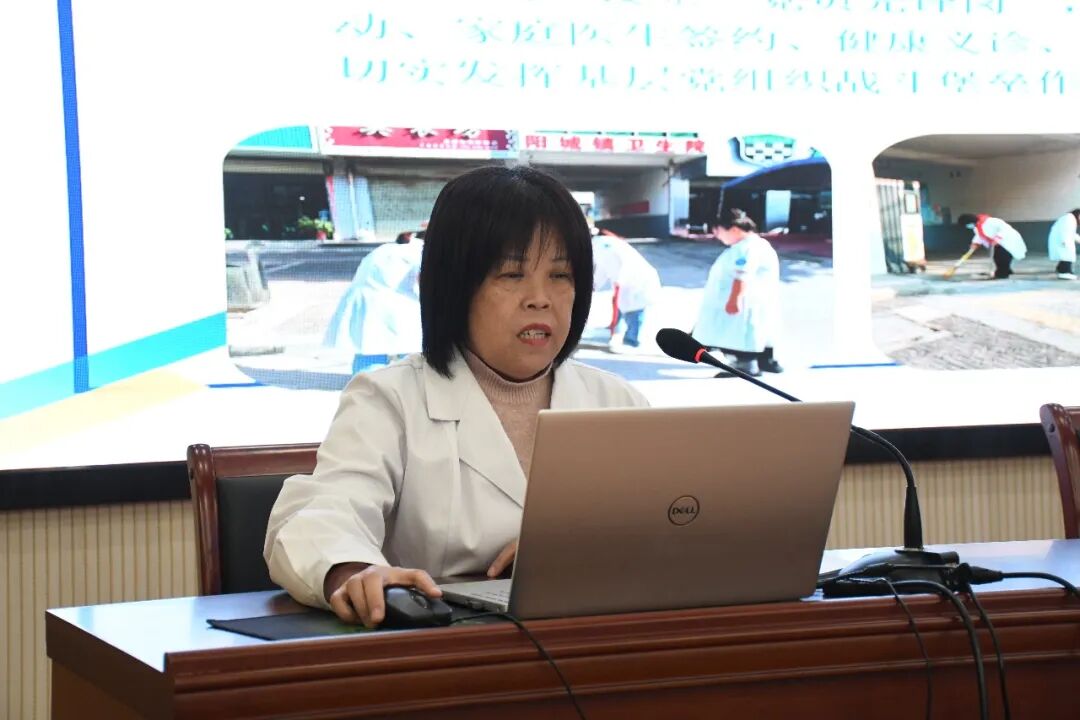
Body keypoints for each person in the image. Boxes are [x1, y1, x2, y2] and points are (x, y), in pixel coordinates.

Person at [265, 166, 648, 627]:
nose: (540, 298)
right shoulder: (389, 399)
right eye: (512, 274)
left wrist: (576, 553)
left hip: (596, 640)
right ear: (454, 285)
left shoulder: (616, 401)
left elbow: (663, 530)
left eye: (560, 275)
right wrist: (354, 571)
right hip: (443, 649)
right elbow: (322, 514)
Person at [693, 209, 782, 377]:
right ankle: (765, 360)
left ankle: (745, 364)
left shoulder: (746, 248)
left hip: (744, 302)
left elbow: (741, 275)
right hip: (757, 301)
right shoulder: (757, 244)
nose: (717, 236)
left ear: (734, 229)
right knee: (758, 331)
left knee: (738, 333)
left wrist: (734, 299)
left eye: (718, 231)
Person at [322, 237, 424, 373]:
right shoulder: (420, 252)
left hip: (361, 299)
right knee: (411, 345)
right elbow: (426, 284)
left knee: (368, 346)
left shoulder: (387, 249)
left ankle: (366, 379)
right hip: (390, 302)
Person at [591, 230, 662, 352]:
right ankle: (615, 331)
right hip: (626, 282)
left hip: (638, 281)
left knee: (634, 311)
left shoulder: (604, 245)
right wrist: (594, 285)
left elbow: (625, 261)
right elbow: (603, 269)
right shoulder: (599, 247)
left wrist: (620, 280)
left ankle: (631, 340)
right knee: (621, 306)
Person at [955, 213, 1027, 279]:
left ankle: (1002, 273)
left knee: (1002, 257)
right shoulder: (977, 227)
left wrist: (998, 237)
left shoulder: (991, 221)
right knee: (999, 257)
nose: (967, 227)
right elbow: (980, 236)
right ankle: (1005, 270)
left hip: (1008, 240)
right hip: (998, 243)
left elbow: (1005, 228)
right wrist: (975, 243)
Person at [1047, 208, 1080, 280]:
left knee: (1066, 256)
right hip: (1063, 241)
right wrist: (1065, 241)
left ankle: (1060, 268)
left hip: (1062, 240)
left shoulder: (1070, 219)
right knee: (1067, 256)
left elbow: (1072, 234)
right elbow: (1065, 231)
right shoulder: (1069, 219)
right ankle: (1065, 273)